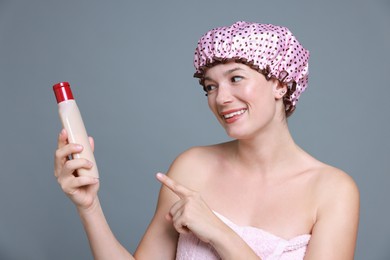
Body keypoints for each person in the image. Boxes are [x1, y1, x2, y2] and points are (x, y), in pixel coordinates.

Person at [54, 21, 359, 259]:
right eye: (209, 86)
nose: (221, 98)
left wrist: (219, 233)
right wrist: (89, 207)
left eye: (236, 78)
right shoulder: (191, 168)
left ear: (279, 82)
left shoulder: (332, 191)